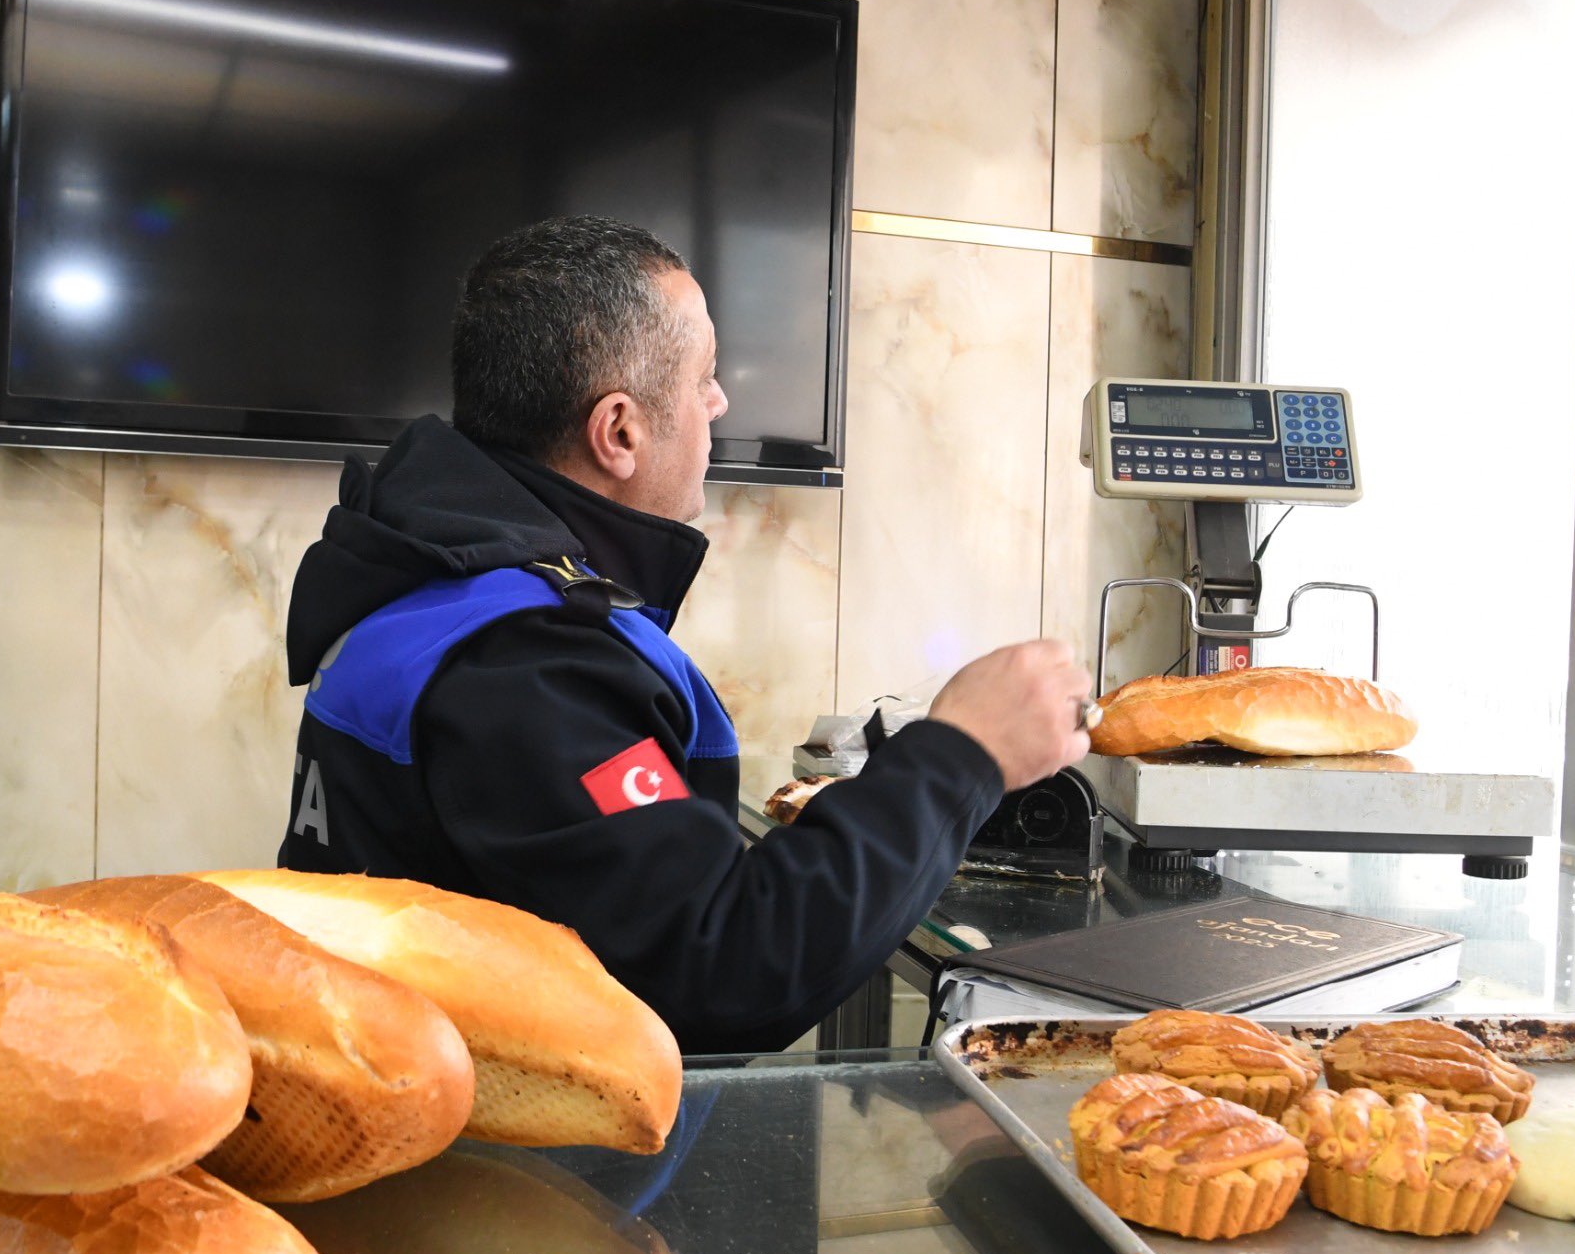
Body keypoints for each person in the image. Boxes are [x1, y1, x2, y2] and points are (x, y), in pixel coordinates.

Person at [278, 216, 1091, 1053]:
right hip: (502, 1171)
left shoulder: (427, 577)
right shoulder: (524, 662)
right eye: (704, 376)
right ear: (620, 431)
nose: (720, 401)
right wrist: (965, 754)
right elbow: (724, 965)